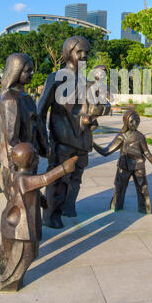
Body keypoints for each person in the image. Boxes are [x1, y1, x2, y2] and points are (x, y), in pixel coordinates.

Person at [38, 36, 110, 228]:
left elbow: (99, 107)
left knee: (76, 178)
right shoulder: (55, 78)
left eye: (86, 52)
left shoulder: (87, 83)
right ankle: (51, 216)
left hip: (83, 139)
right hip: (62, 140)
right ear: (68, 53)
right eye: (79, 52)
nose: (84, 56)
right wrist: (42, 141)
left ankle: (69, 207)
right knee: (58, 179)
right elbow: (40, 111)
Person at [0, 53, 49, 276]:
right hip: (16, 166)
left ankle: (27, 248)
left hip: (28, 161)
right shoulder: (10, 99)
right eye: (27, 70)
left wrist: (44, 147)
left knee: (29, 209)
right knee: (14, 212)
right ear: (16, 71)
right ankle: (6, 255)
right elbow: (11, 140)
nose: (32, 73)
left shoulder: (26, 98)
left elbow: (37, 125)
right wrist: (20, 171)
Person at [0, 142, 77, 292]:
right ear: (32, 161)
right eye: (35, 156)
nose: (38, 158)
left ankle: (7, 275)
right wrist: (65, 167)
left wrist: (42, 200)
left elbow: (29, 192)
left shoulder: (15, 175)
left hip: (13, 221)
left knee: (26, 253)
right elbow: (45, 179)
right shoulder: (24, 179)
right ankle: (8, 282)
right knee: (27, 254)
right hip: (22, 226)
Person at [93, 110, 152, 213]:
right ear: (126, 122)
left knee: (143, 189)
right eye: (132, 121)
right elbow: (106, 151)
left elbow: (146, 152)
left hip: (139, 167)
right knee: (119, 188)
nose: (135, 124)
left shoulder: (140, 136)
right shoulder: (121, 136)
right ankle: (116, 206)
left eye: (137, 121)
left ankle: (145, 208)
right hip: (124, 166)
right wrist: (93, 144)